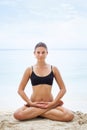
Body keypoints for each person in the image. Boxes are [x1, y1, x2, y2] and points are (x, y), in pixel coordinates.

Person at [13, 42, 74, 122]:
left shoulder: (54, 69)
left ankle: (36, 113)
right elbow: (20, 90)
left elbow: (63, 89)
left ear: (47, 53)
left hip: (50, 103)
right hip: (34, 104)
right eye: (38, 52)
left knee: (69, 115)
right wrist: (30, 103)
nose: (40, 55)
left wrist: (53, 103)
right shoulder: (29, 70)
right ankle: (47, 112)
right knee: (17, 114)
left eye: (43, 52)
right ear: (34, 53)